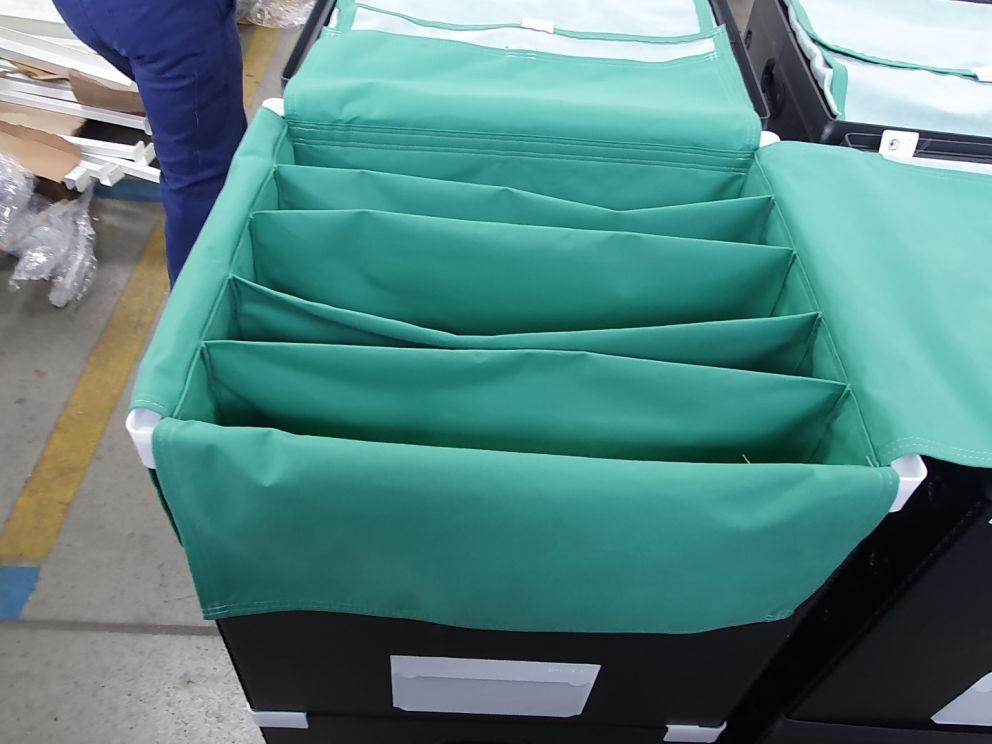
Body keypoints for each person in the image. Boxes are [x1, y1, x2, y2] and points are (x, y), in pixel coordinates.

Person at [52, 0, 248, 284]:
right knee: (202, 173)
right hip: (163, 17)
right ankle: (202, 309)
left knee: (204, 143)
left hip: (93, 11)